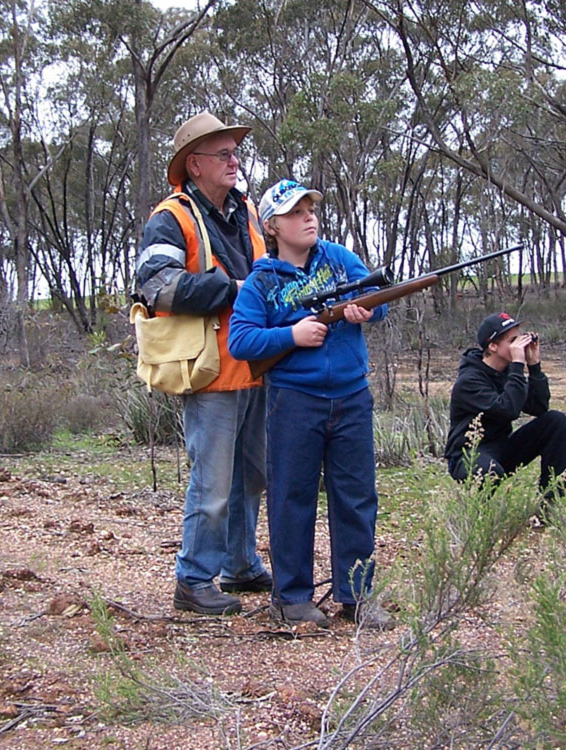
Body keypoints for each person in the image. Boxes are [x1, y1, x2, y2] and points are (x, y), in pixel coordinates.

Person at [228, 179, 394, 630]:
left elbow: (379, 305)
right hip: (294, 401)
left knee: (357, 497)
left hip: (352, 397)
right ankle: (293, 598)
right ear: (272, 226)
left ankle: (356, 597)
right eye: (296, 212)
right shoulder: (261, 281)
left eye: (310, 209)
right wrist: (292, 336)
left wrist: (366, 310)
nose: (309, 217)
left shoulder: (340, 260)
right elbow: (240, 340)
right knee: (290, 497)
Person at [135, 111, 271, 616]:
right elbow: (157, 286)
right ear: (194, 164)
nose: (235, 161)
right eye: (224, 154)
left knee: (251, 476)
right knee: (212, 483)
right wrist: (235, 289)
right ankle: (194, 579)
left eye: (236, 152)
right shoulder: (170, 217)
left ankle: (240, 565)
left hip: (256, 362)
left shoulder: (248, 212)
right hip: (210, 370)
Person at [444, 312, 566, 508]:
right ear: (493, 346)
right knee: (489, 471)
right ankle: (478, 520)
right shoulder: (469, 380)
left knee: (555, 421)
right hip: (467, 455)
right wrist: (518, 366)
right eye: (513, 341)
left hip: (501, 449)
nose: (519, 345)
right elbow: (507, 410)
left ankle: (551, 506)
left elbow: (539, 407)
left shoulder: (507, 373)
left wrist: (534, 366)